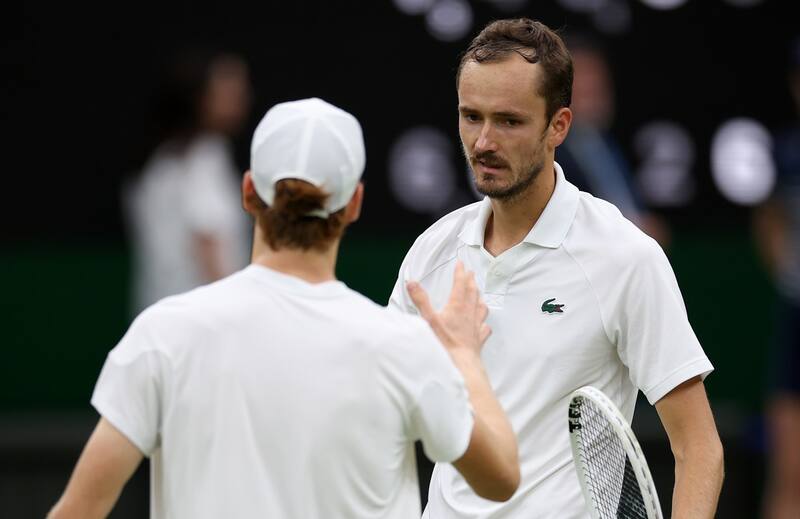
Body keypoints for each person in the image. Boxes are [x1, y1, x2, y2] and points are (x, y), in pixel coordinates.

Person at [48, 98, 519, 518]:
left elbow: (79, 509)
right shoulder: (404, 347)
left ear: (249, 192)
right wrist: (463, 359)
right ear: (354, 203)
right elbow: (500, 478)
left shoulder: (163, 334)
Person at [389, 19, 724, 518]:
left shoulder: (625, 257)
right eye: (470, 117)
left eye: (508, 121)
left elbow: (699, 449)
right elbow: (380, 424)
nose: (483, 142)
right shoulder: (429, 254)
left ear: (559, 126)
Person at [123, 51, 252, 315]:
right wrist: (238, 316)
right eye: (228, 89)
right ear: (200, 98)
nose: (241, 98)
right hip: (201, 327)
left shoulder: (160, 161)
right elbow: (208, 242)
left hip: (160, 322)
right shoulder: (205, 158)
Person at [555, 35, 669, 247]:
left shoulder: (608, 145)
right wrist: (632, 232)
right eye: (585, 77)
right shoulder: (551, 154)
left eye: (599, 77)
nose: (594, 87)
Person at [753, 37, 800, 519]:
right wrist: (789, 275)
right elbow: (767, 221)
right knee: (790, 472)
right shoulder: (786, 151)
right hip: (795, 316)